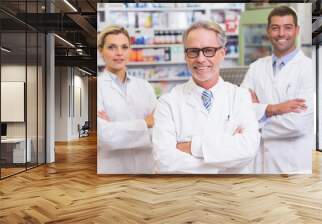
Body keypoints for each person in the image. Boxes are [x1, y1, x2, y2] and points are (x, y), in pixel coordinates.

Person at [152, 21, 260, 174]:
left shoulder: (240, 96)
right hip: (184, 194)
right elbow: (164, 162)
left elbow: (249, 149)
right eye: (193, 51)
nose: (201, 59)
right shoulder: (168, 102)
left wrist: (191, 147)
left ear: (222, 53)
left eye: (208, 50)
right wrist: (226, 162)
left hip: (232, 193)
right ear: (185, 56)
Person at [241, 6, 315, 174]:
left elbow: (298, 124)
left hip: (293, 166)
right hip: (258, 165)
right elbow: (239, 111)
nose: (281, 33)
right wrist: (273, 109)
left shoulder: (309, 69)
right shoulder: (256, 67)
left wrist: (257, 116)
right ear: (268, 31)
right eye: (275, 28)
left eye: (287, 27)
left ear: (297, 30)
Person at [97, 25, 157, 174]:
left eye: (124, 47)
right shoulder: (96, 88)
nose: (119, 53)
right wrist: (145, 124)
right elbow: (104, 138)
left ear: (130, 50)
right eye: (112, 47)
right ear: (100, 51)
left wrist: (116, 128)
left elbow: (159, 132)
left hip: (146, 168)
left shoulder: (145, 87)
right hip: (112, 170)